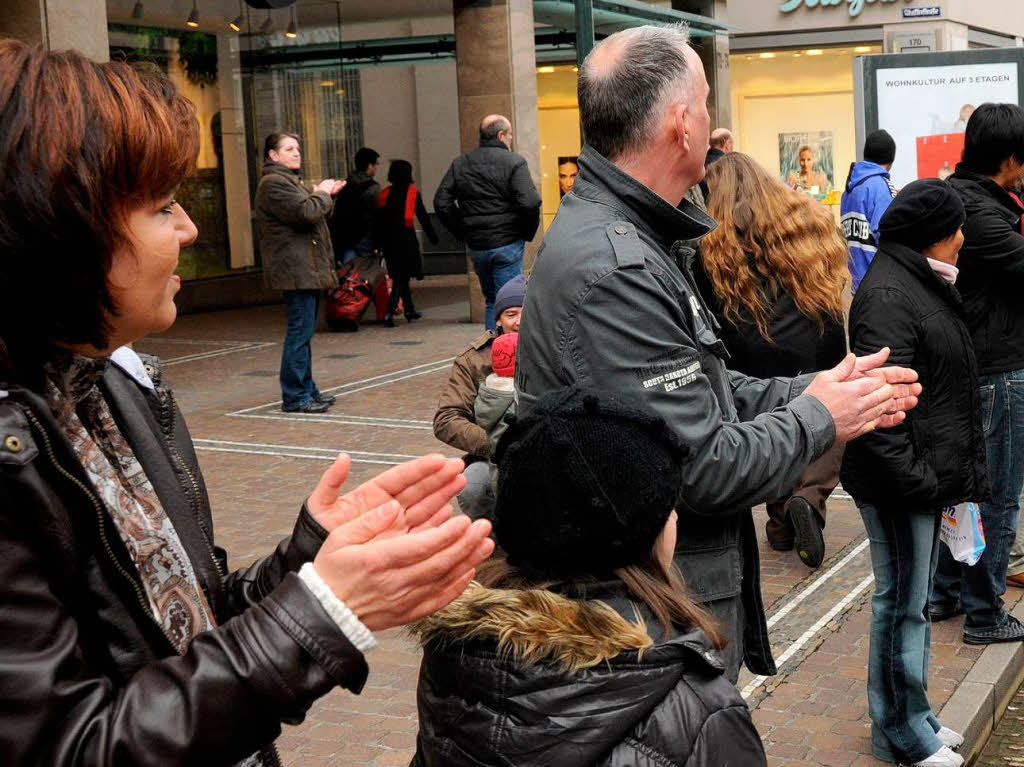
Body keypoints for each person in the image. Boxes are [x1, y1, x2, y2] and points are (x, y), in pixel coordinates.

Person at [0, 40, 496, 766]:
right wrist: (322, 612)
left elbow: (189, 625)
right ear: (63, 230)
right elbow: (70, 745)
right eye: (161, 206)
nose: (190, 228)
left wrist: (309, 557)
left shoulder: (109, 385)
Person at [515, 23, 922, 682]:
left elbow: (697, 393)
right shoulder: (615, 264)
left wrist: (817, 387)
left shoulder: (635, 235)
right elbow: (700, 465)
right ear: (682, 124)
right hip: (659, 607)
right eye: (707, 102)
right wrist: (821, 417)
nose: (712, 118)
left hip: (667, 593)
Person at [411, 388, 768, 767]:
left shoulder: (455, 660)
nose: (675, 517)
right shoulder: (699, 707)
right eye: (668, 507)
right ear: (644, 534)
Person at [842, 180, 988, 767]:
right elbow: (883, 409)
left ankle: (915, 715)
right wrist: (922, 482)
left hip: (921, 478)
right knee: (900, 603)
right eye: (956, 228)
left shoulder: (918, 282)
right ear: (935, 233)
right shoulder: (889, 295)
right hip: (901, 482)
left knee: (913, 604)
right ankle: (900, 730)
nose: (963, 238)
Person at [695, 152, 849, 568]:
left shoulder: (711, 236)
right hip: (816, 339)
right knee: (828, 416)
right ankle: (804, 502)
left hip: (753, 348)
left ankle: (782, 516)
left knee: (774, 423)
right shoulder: (803, 217)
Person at [931, 103, 1024, 644]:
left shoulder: (973, 197)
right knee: (997, 495)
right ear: (1010, 159)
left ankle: (946, 594)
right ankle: (986, 613)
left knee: (964, 488)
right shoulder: (979, 212)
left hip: (980, 365)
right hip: (997, 370)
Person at [256, 131, 342, 414]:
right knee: (299, 333)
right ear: (273, 155)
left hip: (305, 269)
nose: (296, 153)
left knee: (303, 333)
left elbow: (314, 214)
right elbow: (306, 214)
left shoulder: (288, 181)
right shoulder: (273, 184)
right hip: (296, 270)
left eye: (298, 148)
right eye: (289, 149)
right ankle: (295, 396)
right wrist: (322, 192)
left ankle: (308, 391)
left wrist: (325, 196)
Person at [434, 114, 541, 330]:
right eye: (510, 135)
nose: (511, 139)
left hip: (478, 245)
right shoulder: (514, 162)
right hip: (508, 242)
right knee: (512, 304)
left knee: (493, 300)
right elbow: (529, 202)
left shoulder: (461, 163)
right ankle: (507, 356)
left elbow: (441, 202)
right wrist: (525, 233)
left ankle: (492, 352)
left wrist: (464, 231)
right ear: (501, 135)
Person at [435, 275, 527, 521]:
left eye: (528, 312)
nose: (520, 321)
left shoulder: (556, 349)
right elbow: (446, 418)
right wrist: (496, 444)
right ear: (498, 320)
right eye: (511, 314)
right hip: (492, 455)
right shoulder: (473, 359)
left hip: (544, 450)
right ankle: (490, 546)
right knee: (472, 486)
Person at [375, 160, 438, 327]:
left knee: (399, 274)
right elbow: (423, 216)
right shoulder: (412, 192)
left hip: (389, 239)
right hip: (406, 238)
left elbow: (379, 220)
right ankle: (390, 312)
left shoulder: (385, 193)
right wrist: (432, 237)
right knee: (401, 277)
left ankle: (409, 309)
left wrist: (379, 242)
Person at [841, 129, 898, 292]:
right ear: (890, 161)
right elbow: (890, 239)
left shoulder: (848, 191)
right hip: (879, 288)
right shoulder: (881, 186)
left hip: (857, 286)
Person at [330, 146, 381, 266]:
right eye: (376, 164)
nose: (377, 167)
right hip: (364, 236)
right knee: (366, 272)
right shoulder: (373, 187)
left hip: (344, 235)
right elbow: (377, 214)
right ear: (370, 166)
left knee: (348, 270)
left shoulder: (345, 183)